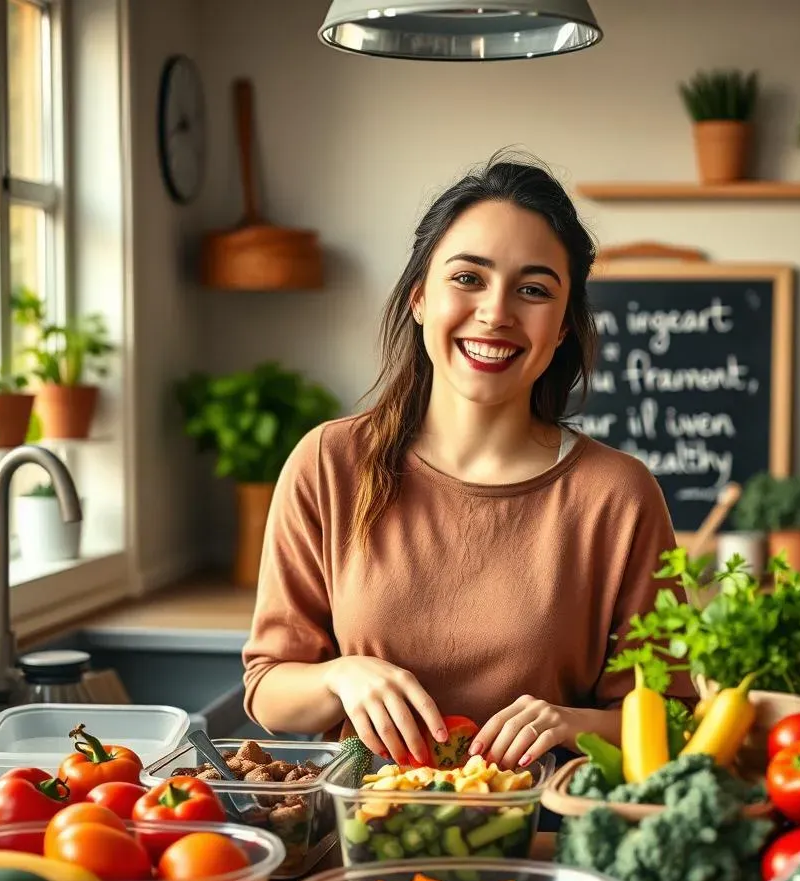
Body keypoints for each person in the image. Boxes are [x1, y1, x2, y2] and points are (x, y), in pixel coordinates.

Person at [241, 151, 688, 774]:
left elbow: (672, 720)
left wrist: (570, 722)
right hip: (363, 830)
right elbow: (267, 691)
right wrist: (342, 678)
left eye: (533, 290)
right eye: (468, 278)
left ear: (561, 328)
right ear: (420, 297)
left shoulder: (618, 494)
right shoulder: (329, 463)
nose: (496, 312)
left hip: (545, 836)